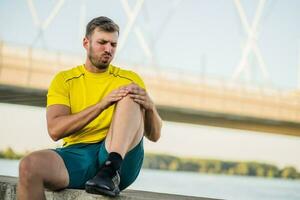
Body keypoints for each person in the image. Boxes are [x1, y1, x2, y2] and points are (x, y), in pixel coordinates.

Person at [17, 16, 162, 199]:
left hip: (118, 159)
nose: (108, 49)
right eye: (102, 42)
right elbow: (55, 130)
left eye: (113, 44)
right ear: (86, 43)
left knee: (129, 93)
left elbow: (154, 135)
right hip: (77, 155)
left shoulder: (129, 79)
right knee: (29, 166)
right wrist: (102, 105)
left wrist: (150, 107)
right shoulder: (64, 80)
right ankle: (101, 175)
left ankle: (109, 171)